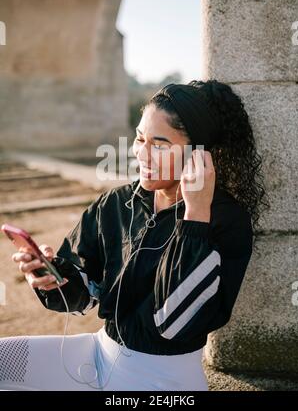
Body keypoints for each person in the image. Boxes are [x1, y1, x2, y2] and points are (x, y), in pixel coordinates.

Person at [0, 80, 269, 391]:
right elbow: (82, 295)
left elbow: (175, 323)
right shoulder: (116, 203)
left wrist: (195, 215)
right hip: (98, 354)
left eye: (160, 144)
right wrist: (54, 278)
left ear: (200, 155)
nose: (143, 153)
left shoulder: (225, 220)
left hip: (165, 380)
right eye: (140, 139)